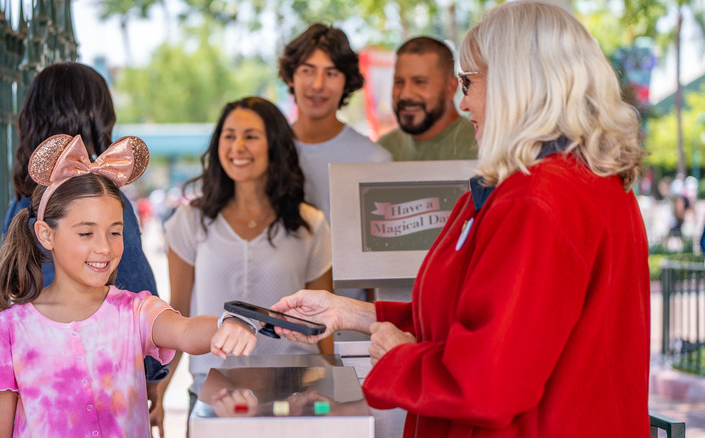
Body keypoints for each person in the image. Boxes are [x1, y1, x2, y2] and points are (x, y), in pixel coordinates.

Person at [271, 2, 650, 436]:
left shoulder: (537, 200)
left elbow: (485, 383)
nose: (463, 101)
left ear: (517, 83)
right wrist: (353, 313)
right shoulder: (587, 183)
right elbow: (477, 322)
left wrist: (399, 358)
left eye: (469, 82)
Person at [0, 134, 257, 437]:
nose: (104, 248)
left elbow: (186, 331)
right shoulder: (9, 329)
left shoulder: (136, 310)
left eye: (114, 232)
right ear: (46, 235)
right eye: (86, 233)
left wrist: (224, 324)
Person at [153, 97, 334, 435]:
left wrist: (335, 392)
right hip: (212, 397)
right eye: (229, 135)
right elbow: (177, 313)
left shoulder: (310, 224)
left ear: (274, 145)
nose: (238, 146)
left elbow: (324, 322)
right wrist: (160, 389)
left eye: (251, 136)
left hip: (295, 399)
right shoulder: (190, 222)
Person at [2, 62, 170, 394]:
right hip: (105, 384)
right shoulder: (105, 203)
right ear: (95, 118)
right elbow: (138, 288)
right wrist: (152, 379)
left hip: (40, 387)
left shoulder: (21, 205)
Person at [279, 23, 392, 224]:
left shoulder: (374, 160)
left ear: (346, 83)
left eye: (331, 73)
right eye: (307, 70)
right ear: (290, 77)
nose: (318, 85)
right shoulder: (266, 149)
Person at [378, 37, 478, 161]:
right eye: (399, 82)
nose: (405, 94)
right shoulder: (383, 150)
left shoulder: (479, 146)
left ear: (450, 87)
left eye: (419, 82)